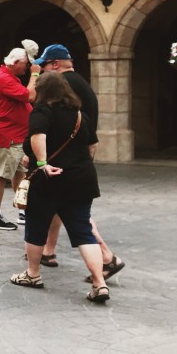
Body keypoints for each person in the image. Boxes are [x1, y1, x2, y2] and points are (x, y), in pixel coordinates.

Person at [9, 72, 111, 303]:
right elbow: (92, 146)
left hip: (49, 181)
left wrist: (44, 163)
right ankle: (99, 282)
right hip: (81, 180)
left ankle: (33, 274)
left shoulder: (42, 111)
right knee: (83, 231)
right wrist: (79, 166)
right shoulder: (79, 115)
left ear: (44, 90)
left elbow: (38, 137)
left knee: (36, 227)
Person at [33, 44, 124, 278]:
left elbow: (35, 102)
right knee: (62, 208)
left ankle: (106, 257)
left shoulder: (63, 84)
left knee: (75, 213)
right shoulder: (77, 81)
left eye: (43, 66)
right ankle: (49, 251)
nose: (41, 71)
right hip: (79, 155)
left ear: (54, 65)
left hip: (68, 157)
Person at [0, 48, 38, 231]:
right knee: (1, 175)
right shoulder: (2, 78)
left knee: (19, 173)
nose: (27, 67)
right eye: (25, 64)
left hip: (17, 135)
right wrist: (35, 74)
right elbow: (30, 95)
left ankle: (22, 211)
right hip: (7, 135)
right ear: (15, 63)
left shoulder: (9, 77)